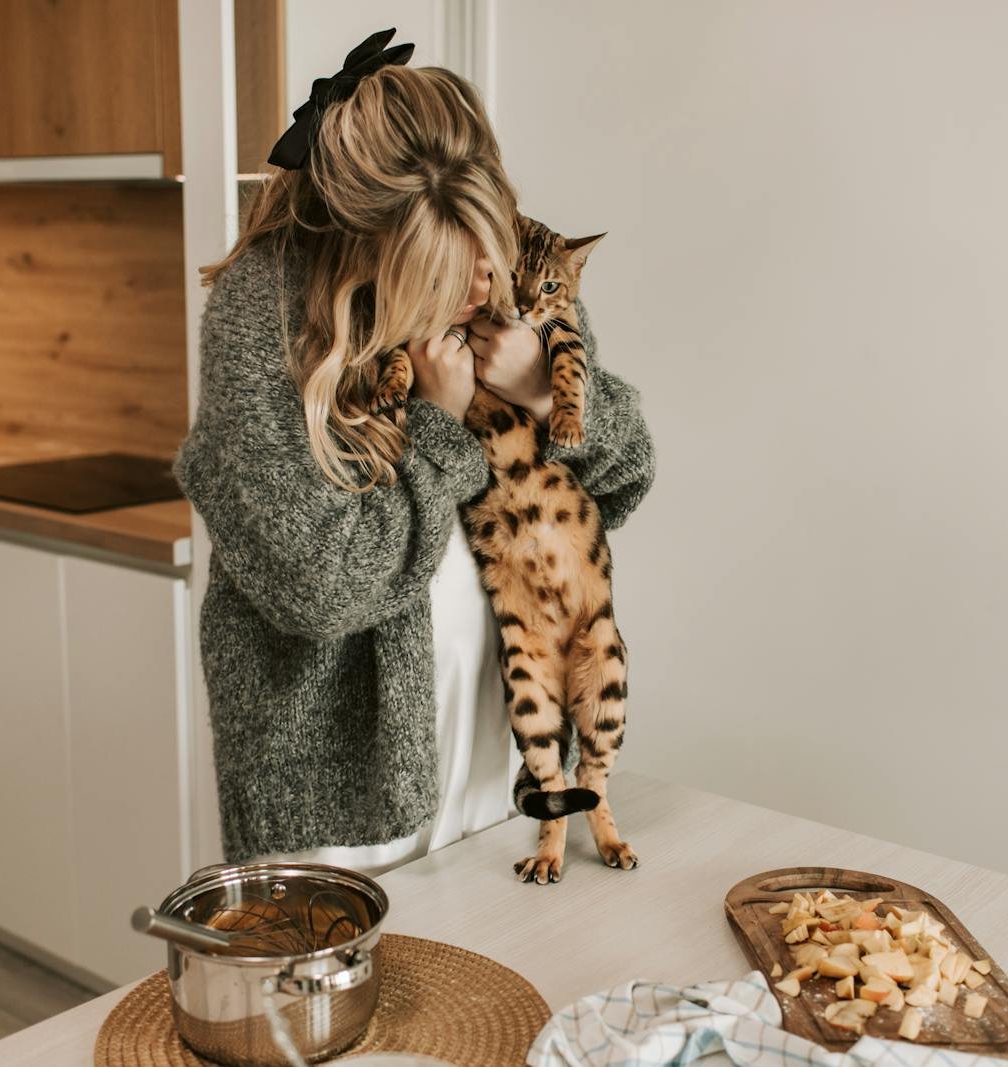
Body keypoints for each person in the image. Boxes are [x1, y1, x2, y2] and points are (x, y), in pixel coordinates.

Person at [171, 31, 656, 877]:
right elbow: (319, 587)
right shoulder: (262, 316)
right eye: (444, 268)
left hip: (501, 743)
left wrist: (545, 387)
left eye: (489, 248)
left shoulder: (508, 260)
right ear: (365, 245)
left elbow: (621, 478)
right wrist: (440, 420)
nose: (483, 287)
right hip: (342, 792)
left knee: (498, 1002)